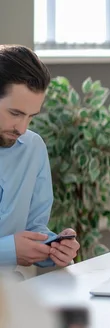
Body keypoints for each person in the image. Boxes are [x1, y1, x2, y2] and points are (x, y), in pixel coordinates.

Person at [0, 45, 79, 272]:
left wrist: (53, 249)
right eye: (15, 114)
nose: (22, 129)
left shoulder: (32, 148)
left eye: (30, 117)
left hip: (10, 295)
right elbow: (13, 248)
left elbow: (35, 227)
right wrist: (9, 250)